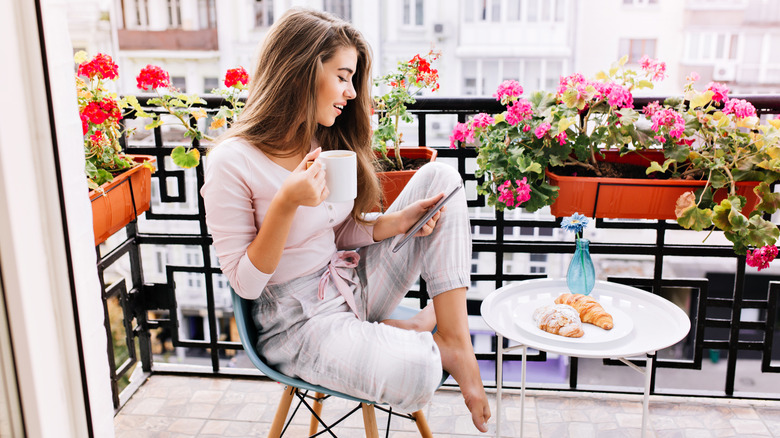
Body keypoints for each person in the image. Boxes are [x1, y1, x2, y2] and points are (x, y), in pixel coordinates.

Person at [201, 7, 491, 433]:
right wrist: (285, 203)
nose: (352, 92)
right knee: (417, 369)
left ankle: (454, 341)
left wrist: (393, 222)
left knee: (442, 178)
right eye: (342, 76)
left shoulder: (321, 142)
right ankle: (409, 332)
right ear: (300, 71)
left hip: (348, 283)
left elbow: (337, 233)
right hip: (297, 323)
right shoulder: (232, 161)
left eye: (353, 79)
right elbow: (245, 283)